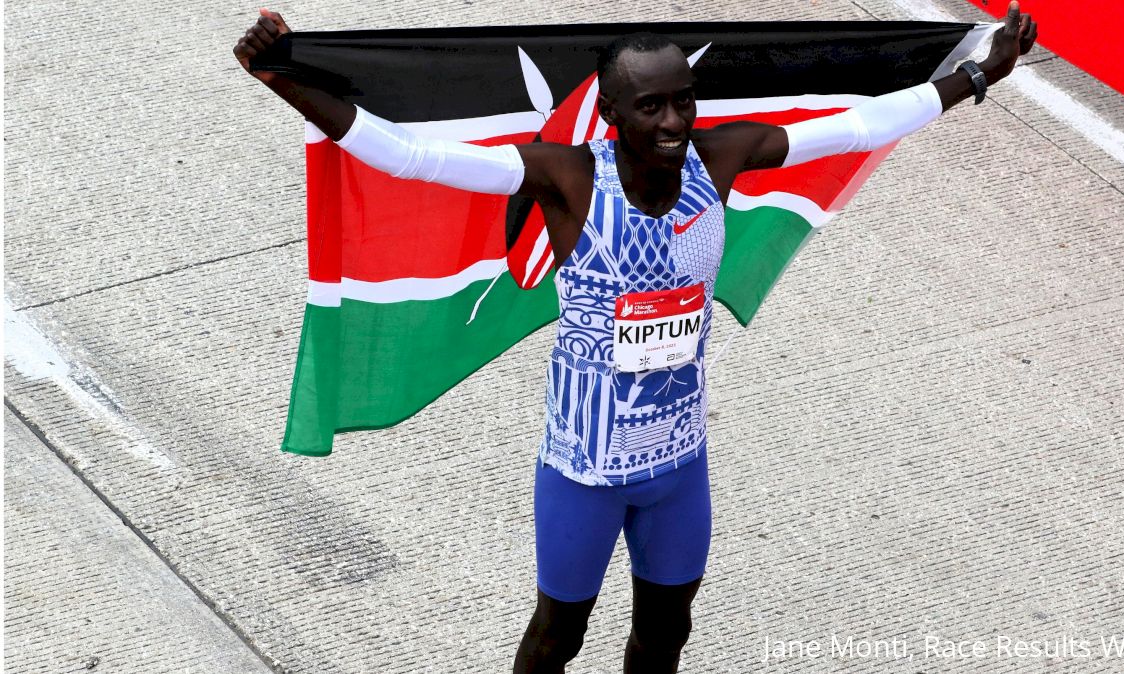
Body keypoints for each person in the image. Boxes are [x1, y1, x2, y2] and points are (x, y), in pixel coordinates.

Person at [235, 5, 1037, 672]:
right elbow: (410, 157)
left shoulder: (719, 160)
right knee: (560, 635)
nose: (673, 121)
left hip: (678, 465)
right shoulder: (567, 178)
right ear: (612, 114)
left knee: (668, 633)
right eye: (650, 107)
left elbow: (858, 124)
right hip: (585, 470)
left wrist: (977, 75)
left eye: (683, 101)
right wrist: (283, 82)